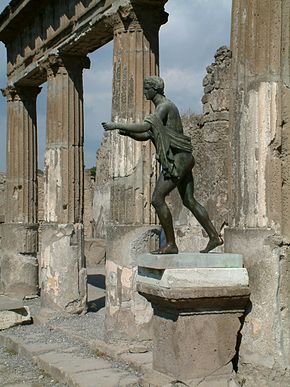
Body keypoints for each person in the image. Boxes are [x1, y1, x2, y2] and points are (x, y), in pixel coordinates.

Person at [102, 76, 223, 254]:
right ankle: (214, 237)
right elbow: (147, 134)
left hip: (178, 159)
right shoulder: (162, 110)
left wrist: (116, 125)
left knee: (157, 199)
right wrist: (126, 132)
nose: (144, 92)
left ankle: (171, 244)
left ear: (155, 89)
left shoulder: (164, 106)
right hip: (184, 157)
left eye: (146, 88)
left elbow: (144, 126)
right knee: (189, 201)